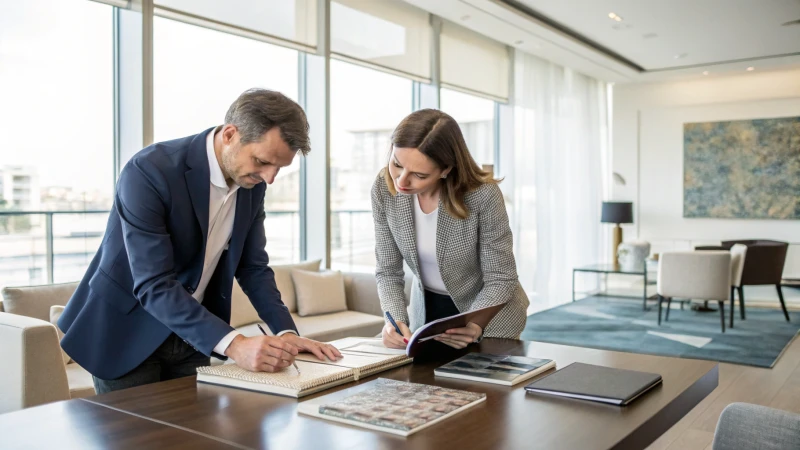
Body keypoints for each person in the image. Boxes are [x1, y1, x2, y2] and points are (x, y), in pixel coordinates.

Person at [59, 89, 341, 394]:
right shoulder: (150, 170)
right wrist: (236, 344)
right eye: (262, 161)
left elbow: (253, 267)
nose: (270, 177)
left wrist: (285, 332)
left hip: (195, 335)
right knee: (139, 440)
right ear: (231, 134)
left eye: (279, 168)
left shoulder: (253, 182)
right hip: (125, 330)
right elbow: (154, 284)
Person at [371, 109, 529, 350]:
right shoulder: (384, 188)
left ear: (446, 169)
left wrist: (475, 324)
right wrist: (395, 321)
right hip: (426, 314)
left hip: (488, 316)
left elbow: (501, 277)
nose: (401, 181)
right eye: (397, 164)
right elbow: (388, 271)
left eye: (419, 174)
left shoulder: (482, 196)